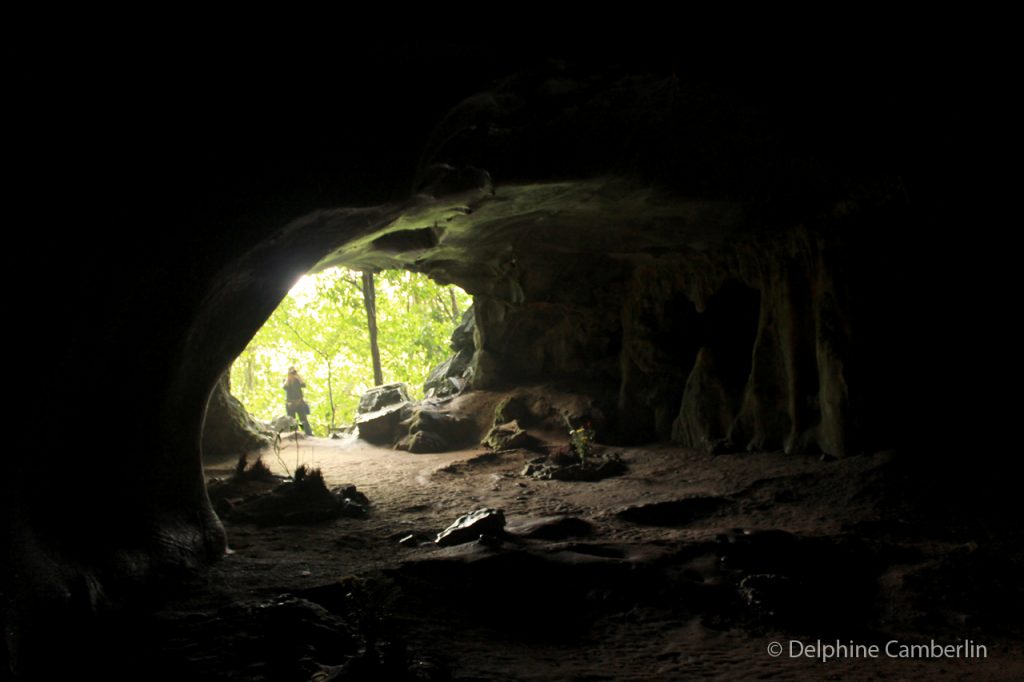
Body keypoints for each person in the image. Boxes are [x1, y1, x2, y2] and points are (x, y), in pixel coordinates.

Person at [283, 367, 314, 436]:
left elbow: (304, 385)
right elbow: (284, 387)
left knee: (303, 420)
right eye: (291, 373)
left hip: (299, 403)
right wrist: (289, 377)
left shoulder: (298, 380)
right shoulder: (286, 380)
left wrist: (298, 377)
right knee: (292, 420)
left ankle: (308, 434)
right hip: (290, 404)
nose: (293, 374)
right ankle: (294, 434)